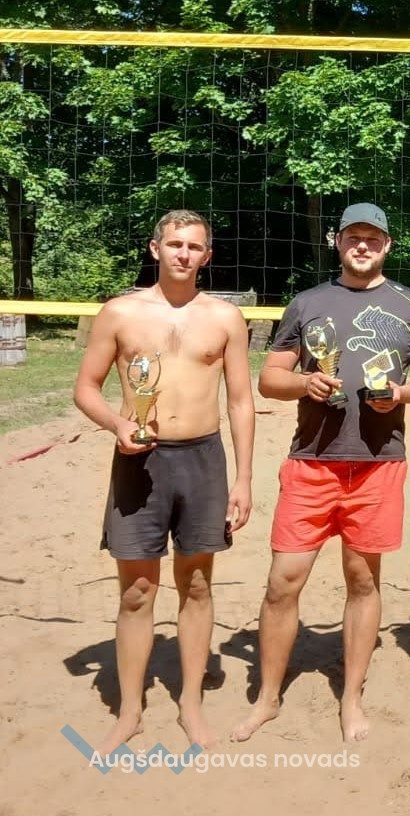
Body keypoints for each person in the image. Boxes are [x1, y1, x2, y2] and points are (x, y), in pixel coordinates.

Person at [231, 203, 410, 743]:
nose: (363, 246)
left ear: (387, 244)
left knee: (362, 580)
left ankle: (351, 698)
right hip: (311, 461)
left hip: (378, 463)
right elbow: (270, 378)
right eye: (354, 237)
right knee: (283, 582)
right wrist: (304, 383)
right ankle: (268, 698)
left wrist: (401, 393)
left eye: (372, 238)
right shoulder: (307, 303)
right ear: (338, 242)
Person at [74, 209, 255, 752]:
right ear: (156, 249)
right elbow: (86, 387)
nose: (183, 254)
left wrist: (244, 479)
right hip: (139, 460)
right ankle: (130, 711)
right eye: (175, 244)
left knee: (197, 584)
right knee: (137, 591)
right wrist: (116, 424)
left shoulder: (225, 317)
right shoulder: (120, 313)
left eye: (194, 246)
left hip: (203, 460)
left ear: (207, 256)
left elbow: (241, 401)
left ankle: (190, 704)